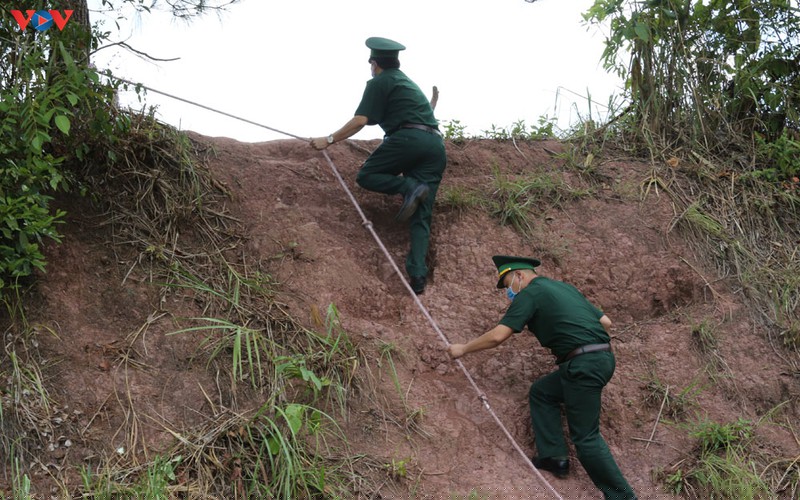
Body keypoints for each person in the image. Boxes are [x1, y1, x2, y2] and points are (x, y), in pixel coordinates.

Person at [447, 255, 637, 500]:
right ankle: (553, 457)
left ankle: (623, 497)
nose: (509, 292)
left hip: (582, 365)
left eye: (507, 285)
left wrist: (463, 348)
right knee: (543, 392)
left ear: (519, 275)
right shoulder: (563, 287)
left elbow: (497, 336)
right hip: (601, 359)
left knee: (586, 438)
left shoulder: (530, 293)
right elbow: (606, 322)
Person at [310, 37, 447, 295]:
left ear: (374, 63)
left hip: (409, 140)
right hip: (435, 147)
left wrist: (328, 140)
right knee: (422, 216)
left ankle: (410, 187)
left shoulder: (380, 81)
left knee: (368, 174)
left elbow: (360, 120)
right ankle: (418, 277)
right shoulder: (407, 83)